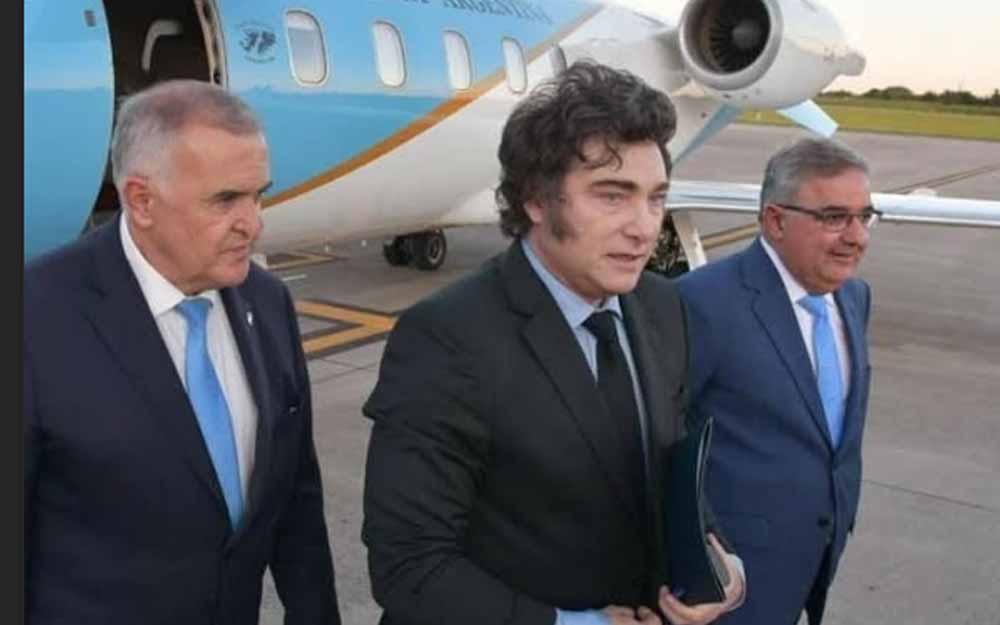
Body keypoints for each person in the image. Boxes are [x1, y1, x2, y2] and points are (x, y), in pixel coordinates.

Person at [361, 60, 744, 625]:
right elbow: (409, 566)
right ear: (536, 200)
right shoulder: (446, 340)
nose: (644, 227)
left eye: (655, 198)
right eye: (612, 196)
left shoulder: (664, 307)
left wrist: (718, 561)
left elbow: (668, 470)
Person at [23, 80, 341, 625]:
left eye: (258, 195)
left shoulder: (268, 302)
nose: (253, 223)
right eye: (225, 200)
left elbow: (295, 499)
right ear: (141, 200)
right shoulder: (36, 314)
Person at [675, 136, 877, 625]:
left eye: (865, 216)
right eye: (835, 217)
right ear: (775, 220)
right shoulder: (699, 302)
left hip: (814, 555)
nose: (857, 237)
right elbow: (658, 441)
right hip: (725, 582)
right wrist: (697, 562)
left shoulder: (854, 297)